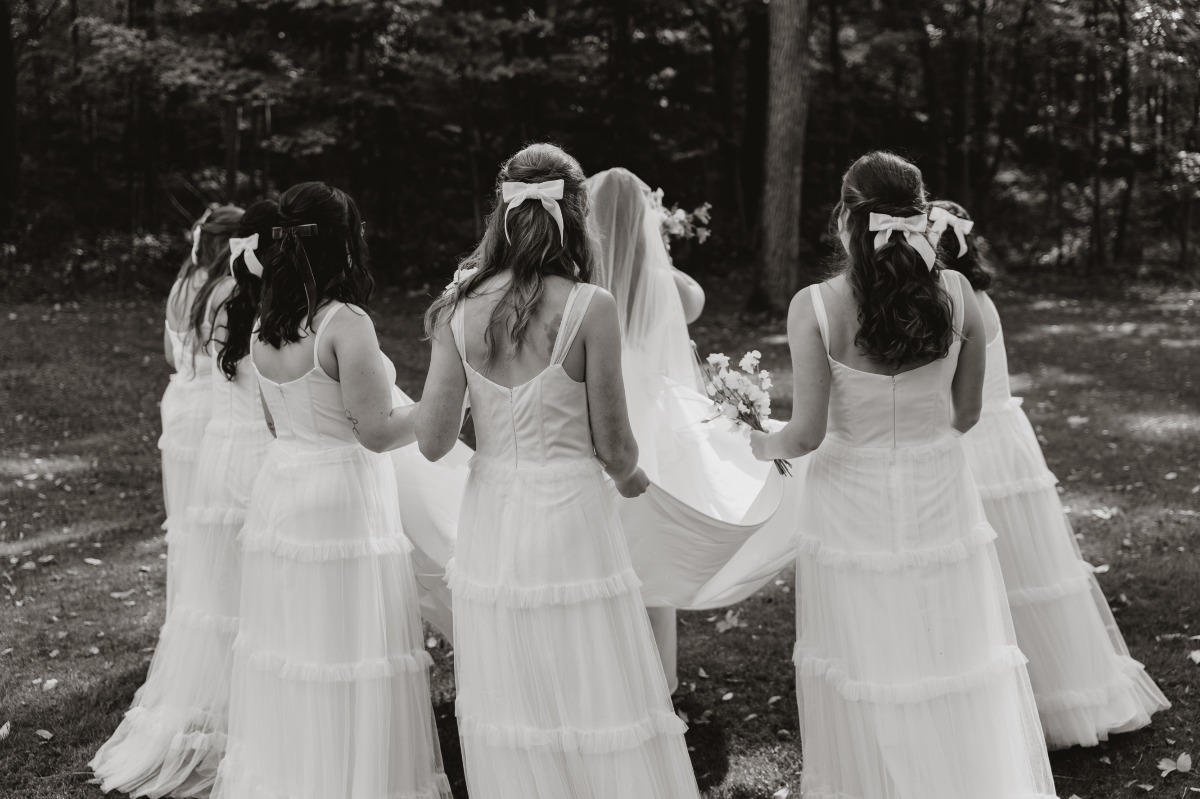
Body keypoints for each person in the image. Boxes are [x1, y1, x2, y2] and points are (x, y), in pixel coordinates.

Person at [751, 152, 1057, 798]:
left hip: (848, 499)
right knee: (946, 651)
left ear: (846, 217)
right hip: (938, 488)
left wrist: (758, 442)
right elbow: (968, 414)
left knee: (864, 657)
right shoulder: (959, 294)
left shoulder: (816, 307)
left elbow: (804, 434)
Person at [416, 143, 700, 799]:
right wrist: (642, 488)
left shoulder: (458, 308)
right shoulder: (590, 307)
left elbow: (432, 441)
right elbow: (617, 448)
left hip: (495, 517)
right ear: (577, 214)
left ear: (503, 215)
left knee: (516, 694)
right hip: (576, 515)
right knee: (597, 683)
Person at [212, 182, 450, 799]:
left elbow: (273, 420)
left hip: (282, 491)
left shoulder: (266, 323)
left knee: (294, 647)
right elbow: (375, 433)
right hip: (341, 498)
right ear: (345, 242)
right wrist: (442, 405)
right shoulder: (346, 324)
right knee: (349, 648)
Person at [929, 199, 1170, 748]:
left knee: (998, 573)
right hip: (1002, 440)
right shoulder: (977, 295)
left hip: (974, 444)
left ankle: (1018, 699)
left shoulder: (952, 303)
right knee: (1022, 572)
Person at [91, 202, 274, 798]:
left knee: (196, 537)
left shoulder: (185, 287)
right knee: (222, 553)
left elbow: (180, 356)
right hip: (224, 421)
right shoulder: (233, 292)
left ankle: (199, 660)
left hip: (196, 411)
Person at [159, 205, 242, 568]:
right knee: (213, 514)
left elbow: (170, 354)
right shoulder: (226, 289)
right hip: (213, 406)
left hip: (178, 401)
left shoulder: (180, 284)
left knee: (186, 514)